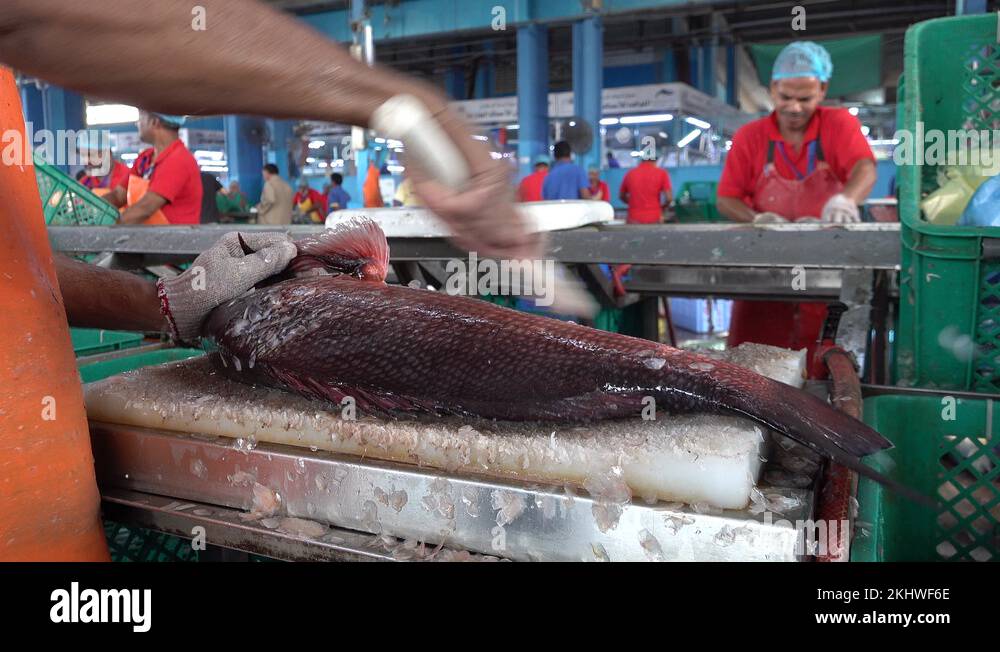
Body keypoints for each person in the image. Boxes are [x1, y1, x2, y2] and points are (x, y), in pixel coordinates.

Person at [0, 0, 540, 560]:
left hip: (48, 519)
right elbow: (107, 21)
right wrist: (403, 107)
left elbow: (17, 266)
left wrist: (163, 302)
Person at [715, 41, 876, 376]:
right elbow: (726, 199)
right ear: (773, 88)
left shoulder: (838, 124)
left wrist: (847, 198)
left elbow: (864, 167)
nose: (794, 107)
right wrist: (758, 218)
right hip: (763, 277)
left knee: (823, 373)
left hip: (826, 274)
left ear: (823, 89)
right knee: (750, 374)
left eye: (805, 99)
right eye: (785, 97)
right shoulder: (750, 136)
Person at [123, 111, 203, 224]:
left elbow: (145, 209)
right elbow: (118, 194)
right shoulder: (145, 158)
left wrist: (107, 230)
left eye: (141, 118)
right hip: (152, 238)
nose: (137, 123)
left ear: (154, 122)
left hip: (176, 240)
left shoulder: (179, 160)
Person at [76, 129, 130, 206]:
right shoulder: (85, 182)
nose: (86, 161)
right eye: (83, 155)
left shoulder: (128, 177)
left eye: (91, 155)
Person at [618, 152, 673, 224]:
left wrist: (633, 203)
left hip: (634, 218)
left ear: (642, 160)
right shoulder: (662, 173)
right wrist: (662, 208)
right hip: (655, 217)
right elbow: (669, 198)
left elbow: (621, 196)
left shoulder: (630, 173)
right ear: (655, 160)